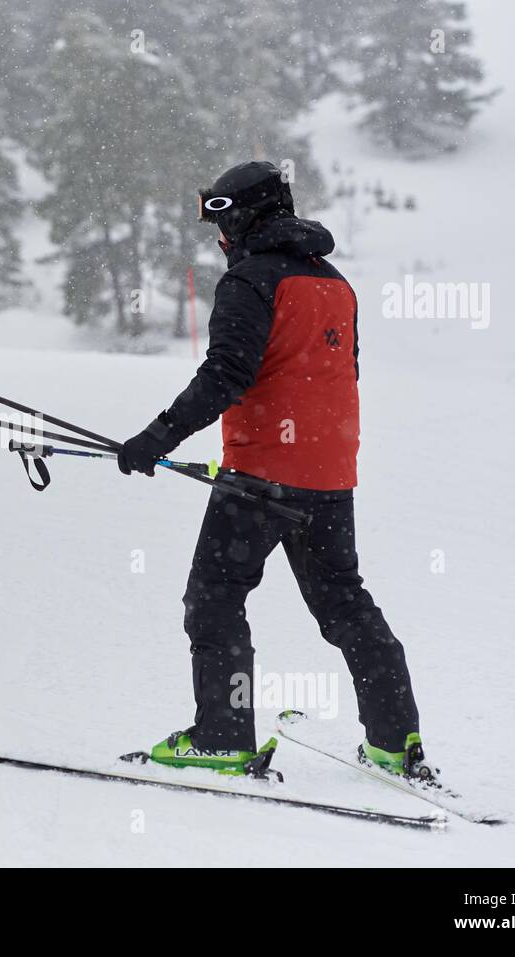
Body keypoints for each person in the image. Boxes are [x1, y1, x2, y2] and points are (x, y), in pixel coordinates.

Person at [117, 161, 426, 779]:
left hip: (259, 476)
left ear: (247, 216)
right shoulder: (337, 283)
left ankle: (223, 737)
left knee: (215, 599)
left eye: (223, 224)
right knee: (345, 605)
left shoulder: (250, 282)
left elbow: (226, 375)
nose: (220, 241)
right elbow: (341, 374)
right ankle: (396, 744)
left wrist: (156, 437)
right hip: (332, 475)